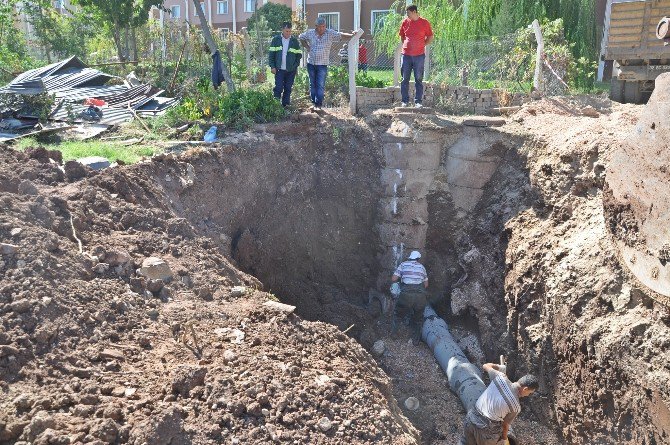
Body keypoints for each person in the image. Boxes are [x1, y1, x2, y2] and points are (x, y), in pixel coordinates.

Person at [460, 364, 539, 445]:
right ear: (525, 389)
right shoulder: (515, 407)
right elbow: (505, 425)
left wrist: (500, 367)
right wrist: (504, 439)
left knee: (465, 442)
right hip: (485, 431)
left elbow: (485, 366)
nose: (528, 395)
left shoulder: (500, 377)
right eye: (529, 393)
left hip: (471, 418)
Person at [299, 18, 354, 110]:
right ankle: (313, 103)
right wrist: (307, 47)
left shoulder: (330, 33)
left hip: (322, 64)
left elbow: (341, 35)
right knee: (312, 84)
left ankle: (318, 104)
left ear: (325, 26)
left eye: (323, 26)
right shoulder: (310, 33)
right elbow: (301, 37)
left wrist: (352, 35)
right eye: (319, 27)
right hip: (311, 63)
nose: (321, 29)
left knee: (320, 84)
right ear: (316, 26)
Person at [398, 5, 434, 107]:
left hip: (419, 56)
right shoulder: (405, 22)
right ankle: (404, 101)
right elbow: (402, 36)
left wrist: (423, 44)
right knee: (405, 78)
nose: (407, 15)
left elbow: (430, 37)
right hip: (406, 55)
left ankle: (418, 102)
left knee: (418, 78)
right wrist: (406, 46)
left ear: (414, 12)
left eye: (408, 13)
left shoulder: (424, 22)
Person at [391, 250, 428, 345]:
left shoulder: (403, 265)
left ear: (410, 257)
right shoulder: (422, 267)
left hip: (406, 295)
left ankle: (394, 334)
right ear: (418, 259)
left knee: (397, 315)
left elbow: (394, 279)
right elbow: (426, 285)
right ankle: (415, 341)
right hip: (420, 297)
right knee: (418, 319)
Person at [268, 21, 302, 107]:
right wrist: (272, 66)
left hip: (291, 70)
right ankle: (276, 105)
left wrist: (295, 66)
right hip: (279, 69)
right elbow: (271, 55)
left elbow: (299, 55)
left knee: (288, 88)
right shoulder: (276, 40)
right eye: (287, 31)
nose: (288, 33)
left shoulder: (294, 41)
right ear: (282, 30)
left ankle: (285, 106)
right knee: (278, 87)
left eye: (290, 31)